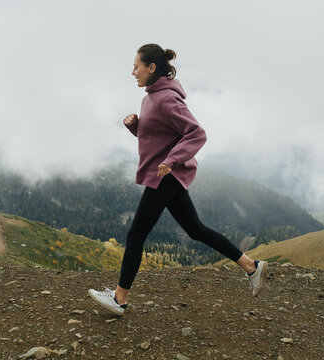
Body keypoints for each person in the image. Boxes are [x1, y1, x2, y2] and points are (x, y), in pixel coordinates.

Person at [88, 44, 267, 316]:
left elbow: (197, 134)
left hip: (165, 176)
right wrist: (135, 127)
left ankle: (119, 298)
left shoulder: (167, 99)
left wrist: (170, 161)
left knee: (136, 234)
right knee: (195, 229)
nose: (132, 71)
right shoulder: (149, 98)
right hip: (163, 174)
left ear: (151, 68)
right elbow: (159, 137)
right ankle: (251, 267)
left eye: (136, 66)